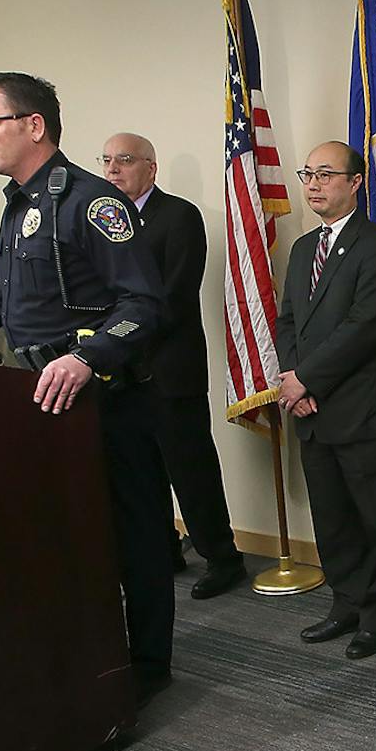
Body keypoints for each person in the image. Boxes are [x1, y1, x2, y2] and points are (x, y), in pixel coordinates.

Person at [0, 71, 175, 701]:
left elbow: (143, 303)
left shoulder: (91, 203)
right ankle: (92, 649)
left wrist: (89, 356)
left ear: (33, 126)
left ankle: (149, 666)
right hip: (36, 401)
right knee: (64, 535)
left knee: (135, 539)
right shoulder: (20, 206)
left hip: (104, 397)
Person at [274, 142, 376, 658]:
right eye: (307, 173)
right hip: (311, 409)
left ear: (356, 182)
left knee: (375, 518)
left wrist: (305, 379)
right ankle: (346, 602)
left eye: (326, 174)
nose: (312, 183)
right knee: (331, 515)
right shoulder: (302, 247)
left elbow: (365, 327)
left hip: (364, 410)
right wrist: (294, 379)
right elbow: (287, 319)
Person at [99, 132, 247, 600]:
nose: (112, 170)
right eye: (106, 161)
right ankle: (164, 549)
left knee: (191, 470)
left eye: (124, 160)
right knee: (140, 473)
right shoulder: (104, 223)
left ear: (150, 167)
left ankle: (222, 558)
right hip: (119, 374)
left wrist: (122, 341)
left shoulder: (178, 216)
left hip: (168, 368)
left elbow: (175, 296)